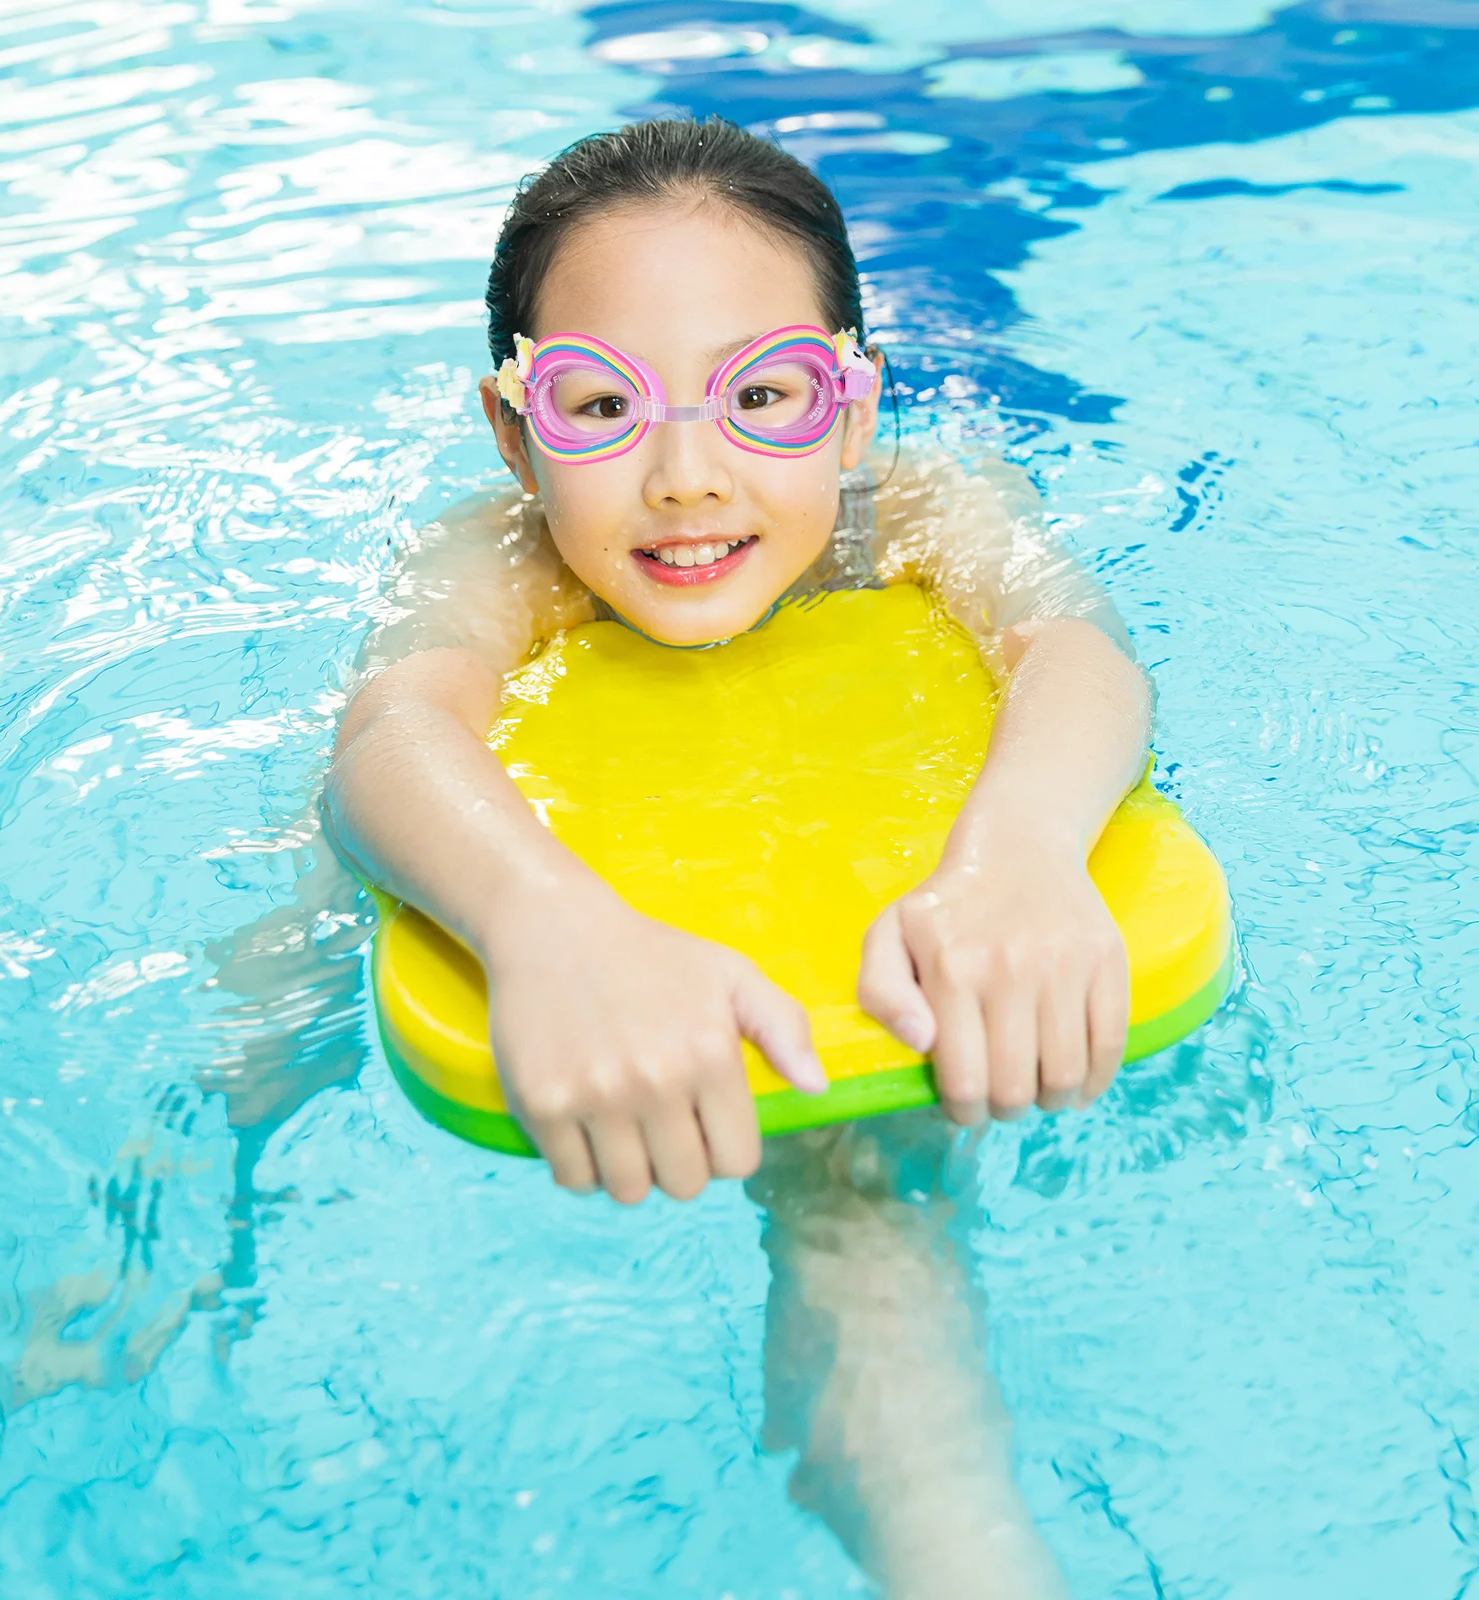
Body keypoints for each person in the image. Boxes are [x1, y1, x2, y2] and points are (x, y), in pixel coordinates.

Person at [324, 117, 1151, 1597]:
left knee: (863, 1163)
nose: (690, 476)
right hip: (561, 849)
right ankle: (166, 1210)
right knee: (297, 921)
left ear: (849, 412)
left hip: (851, 862)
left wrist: (1021, 855)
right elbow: (392, 731)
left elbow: (1076, 652)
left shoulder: (917, 509)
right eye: (602, 410)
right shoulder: (497, 560)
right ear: (516, 435)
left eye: (764, 397)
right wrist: (542, 922)